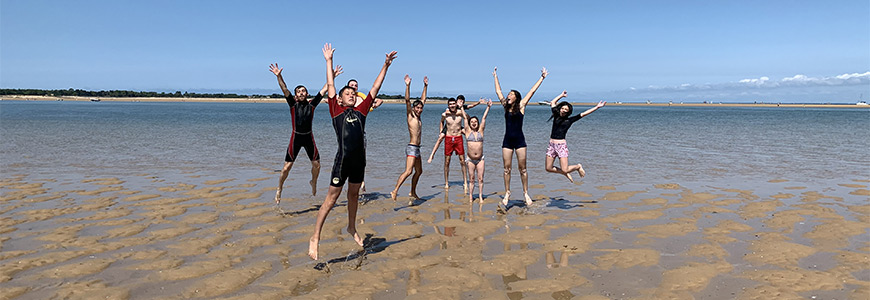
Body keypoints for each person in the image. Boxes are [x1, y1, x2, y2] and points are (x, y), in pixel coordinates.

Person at [309, 43, 397, 260]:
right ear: (339, 99)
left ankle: (351, 227)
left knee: (354, 196)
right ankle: (315, 237)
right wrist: (328, 61)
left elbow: (375, 87)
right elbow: (331, 84)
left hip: (360, 163)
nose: (350, 95)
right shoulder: (335, 111)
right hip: (343, 162)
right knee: (330, 200)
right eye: (346, 93)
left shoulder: (362, 111)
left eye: (352, 93)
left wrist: (385, 65)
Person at [269, 62, 343, 204]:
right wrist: (279, 76)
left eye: (303, 91)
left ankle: (313, 182)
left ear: (307, 93)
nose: (301, 93)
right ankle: (280, 188)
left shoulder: (312, 104)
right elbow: (284, 88)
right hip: (296, 137)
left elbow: (325, 89)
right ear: (296, 95)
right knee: (286, 168)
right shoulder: (292, 104)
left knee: (317, 165)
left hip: (309, 137)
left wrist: (332, 76)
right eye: (299, 91)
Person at [493, 66, 547, 206]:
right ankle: (507, 193)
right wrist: (495, 76)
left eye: (511, 94)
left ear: (516, 97)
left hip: (520, 141)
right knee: (507, 169)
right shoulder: (505, 106)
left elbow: (532, 91)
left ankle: (525, 193)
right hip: (507, 142)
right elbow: (498, 91)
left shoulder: (521, 106)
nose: (508, 95)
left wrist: (542, 78)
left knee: (522, 169)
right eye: (508, 94)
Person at [545, 91, 605, 182]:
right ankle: (564, 173)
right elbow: (553, 102)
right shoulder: (556, 115)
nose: (564, 110)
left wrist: (597, 107)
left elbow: (583, 114)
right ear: (560, 108)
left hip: (561, 145)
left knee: (565, 168)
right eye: (563, 108)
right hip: (551, 145)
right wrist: (561, 95)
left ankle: (577, 167)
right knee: (548, 168)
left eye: (566, 110)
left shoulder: (569, 120)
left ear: (568, 112)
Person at [390, 75, 428, 202]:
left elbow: (423, 99)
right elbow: (407, 100)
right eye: (417, 108)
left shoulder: (419, 117)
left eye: (420, 108)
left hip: (417, 148)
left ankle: (412, 192)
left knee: (419, 171)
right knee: (408, 171)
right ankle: (395, 191)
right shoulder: (411, 116)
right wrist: (407, 85)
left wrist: (425, 86)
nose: (419, 109)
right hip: (411, 148)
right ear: (413, 108)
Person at [425, 98, 468, 191]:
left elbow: (467, 118)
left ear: (456, 104)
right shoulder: (445, 114)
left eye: (453, 104)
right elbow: (441, 121)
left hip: (458, 138)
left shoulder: (460, 113)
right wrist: (441, 131)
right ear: (448, 105)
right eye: (450, 104)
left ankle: (465, 181)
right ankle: (447, 183)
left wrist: (462, 109)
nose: (452, 105)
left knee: (462, 161)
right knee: (447, 162)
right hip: (448, 139)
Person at [459, 98, 491, 203]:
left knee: (480, 179)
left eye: (475, 121)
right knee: (472, 179)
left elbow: (484, 118)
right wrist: (461, 107)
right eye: (471, 122)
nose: (473, 123)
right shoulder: (467, 132)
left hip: (480, 159)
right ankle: (471, 196)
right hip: (471, 159)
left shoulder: (481, 130)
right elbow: (464, 117)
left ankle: (481, 196)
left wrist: (488, 107)